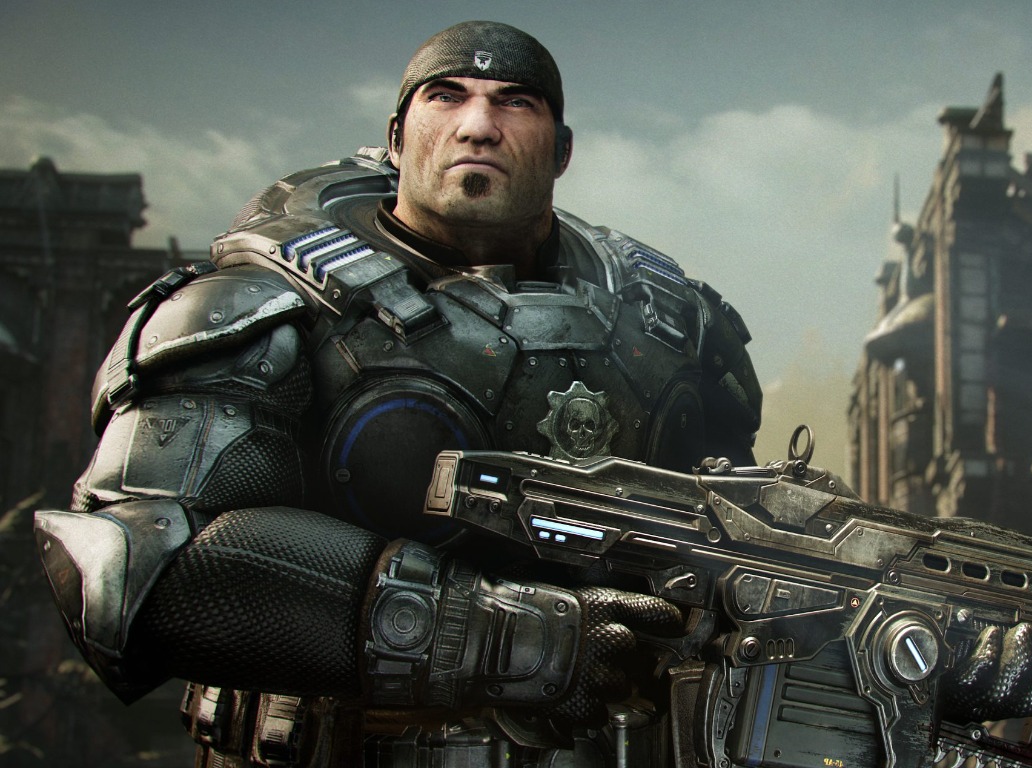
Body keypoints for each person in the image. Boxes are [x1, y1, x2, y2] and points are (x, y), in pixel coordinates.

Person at [34, 20, 761, 767]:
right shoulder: (264, 302)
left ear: (562, 150)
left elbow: (737, 550)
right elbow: (138, 563)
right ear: (395, 137)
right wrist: (506, 636)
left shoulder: (673, 326)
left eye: (515, 103)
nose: (478, 126)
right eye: (446, 97)